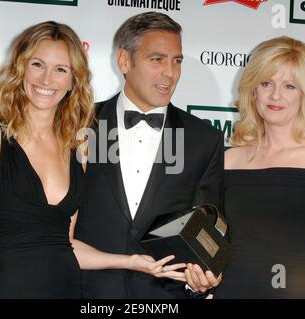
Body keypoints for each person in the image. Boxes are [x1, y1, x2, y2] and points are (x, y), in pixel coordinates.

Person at [0, 21, 184, 299]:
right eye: (37, 65)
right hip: (4, 290)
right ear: (20, 67)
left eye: (60, 69)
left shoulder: (77, 148)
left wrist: (129, 261)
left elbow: (65, 244)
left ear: (74, 80)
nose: (46, 80)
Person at [188, 36, 305, 298]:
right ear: (253, 91)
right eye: (266, 83)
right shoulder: (228, 161)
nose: (276, 95)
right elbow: (211, 244)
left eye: (289, 86)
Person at [73, 11, 224, 299]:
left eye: (176, 61)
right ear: (124, 61)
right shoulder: (79, 125)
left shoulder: (203, 139)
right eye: (157, 59)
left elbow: (207, 231)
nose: (170, 72)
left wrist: (200, 280)